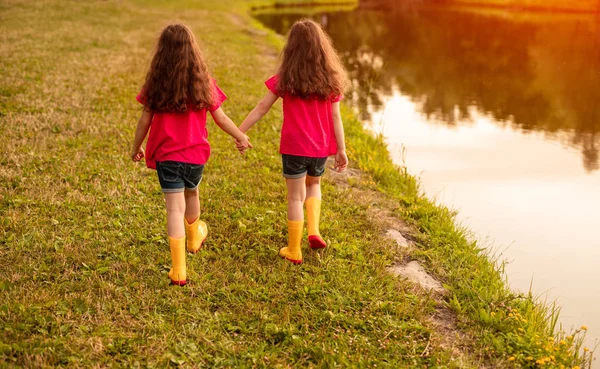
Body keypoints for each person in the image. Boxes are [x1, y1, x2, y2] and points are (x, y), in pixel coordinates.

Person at [131, 24, 251, 286]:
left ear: (161, 54)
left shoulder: (156, 84)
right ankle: (194, 237)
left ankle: (178, 269)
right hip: (195, 156)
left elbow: (144, 121)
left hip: (167, 156)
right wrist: (239, 135)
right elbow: (220, 117)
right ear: (193, 52)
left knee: (174, 209)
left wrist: (135, 146)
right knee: (192, 192)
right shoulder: (203, 83)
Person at [238, 19, 348, 265]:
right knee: (314, 185)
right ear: (322, 49)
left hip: (294, 147)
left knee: (295, 198)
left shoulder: (286, 78)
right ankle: (314, 231)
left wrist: (240, 130)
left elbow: (262, 107)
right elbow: (336, 117)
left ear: (292, 49)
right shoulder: (330, 80)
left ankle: (294, 249)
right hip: (320, 147)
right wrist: (340, 148)